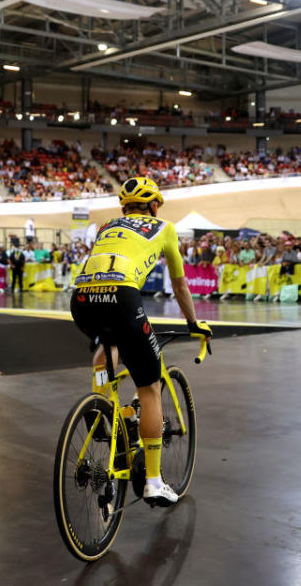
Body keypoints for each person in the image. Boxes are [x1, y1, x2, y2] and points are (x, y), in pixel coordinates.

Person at [70, 177, 211, 508]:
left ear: (124, 208)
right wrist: (193, 323)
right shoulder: (164, 227)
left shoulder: (108, 227)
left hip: (82, 299)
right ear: (154, 205)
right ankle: (153, 481)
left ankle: (105, 409)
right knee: (149, 389)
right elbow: (179, 285)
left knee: (108, 349)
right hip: (122, 297)